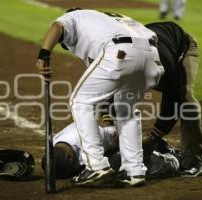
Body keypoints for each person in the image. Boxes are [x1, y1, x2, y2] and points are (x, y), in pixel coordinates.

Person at [36, 8, 164, 186]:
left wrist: (44, 54)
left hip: (121, 51)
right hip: (152, 58)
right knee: (126, 110)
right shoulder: (109, 21)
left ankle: (96, 165)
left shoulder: (74, 16)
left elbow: (57, 26)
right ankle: (134, 171)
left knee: (79, 101)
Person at [40, 122, 202, 180]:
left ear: (71, 156)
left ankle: (175, 158)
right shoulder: (54, 150)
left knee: (127, 164)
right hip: (101, 147)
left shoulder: (92, 137)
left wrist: (144, 148)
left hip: (115, 136)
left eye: (71, 169)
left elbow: (118, 135)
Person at [142, 21, 202, 177]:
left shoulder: (165, 64)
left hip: (182, 47)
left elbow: (174, 95)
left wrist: (156, 135)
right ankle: (160, 146)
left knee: (186, 100)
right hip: (158, 43)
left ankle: (193, 161)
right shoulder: (121, 59)